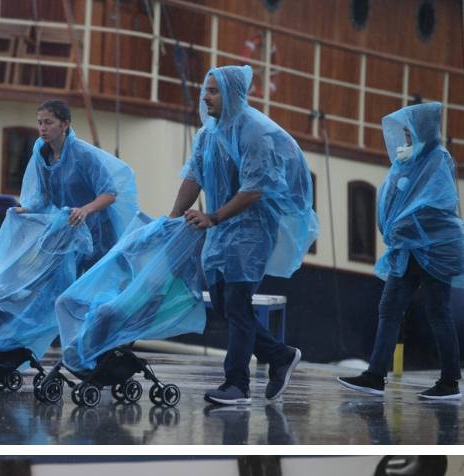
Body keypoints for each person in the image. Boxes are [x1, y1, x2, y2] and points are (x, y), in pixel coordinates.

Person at [169, 64, 319, 406]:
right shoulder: (208, 134)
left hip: (251, 229)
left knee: (237, 303)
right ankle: (280, 355)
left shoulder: (255, 133)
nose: (205, 96)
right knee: (222, 304)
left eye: (212, 90)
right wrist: (172, 218)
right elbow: (194, 176)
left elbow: (254, 190)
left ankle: (236, 384)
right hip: (220, 228)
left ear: (233, 94)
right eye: (205, 89)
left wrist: (213, 217)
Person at [338, 101, 464, 402]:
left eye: (411, 129)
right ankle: (375, 375)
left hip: (434, 250)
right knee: (390, 308)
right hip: (409, 248)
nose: (406, 135)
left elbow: (438, 203)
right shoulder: (409, 158)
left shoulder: (437, 159)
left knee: (437, 313)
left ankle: (450, 382)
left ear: (425, 129)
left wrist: (406, 225)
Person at [14, 100, 141, 271]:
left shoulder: (84, 155)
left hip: (97, 234)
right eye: (40, 123)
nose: (42, 128)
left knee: (92, 285)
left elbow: (109, 194)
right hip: (68, 233)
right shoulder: (44, 157)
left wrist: (85, 210)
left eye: (49, 122)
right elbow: (45, 197)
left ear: (65, 124)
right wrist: (26, 210)